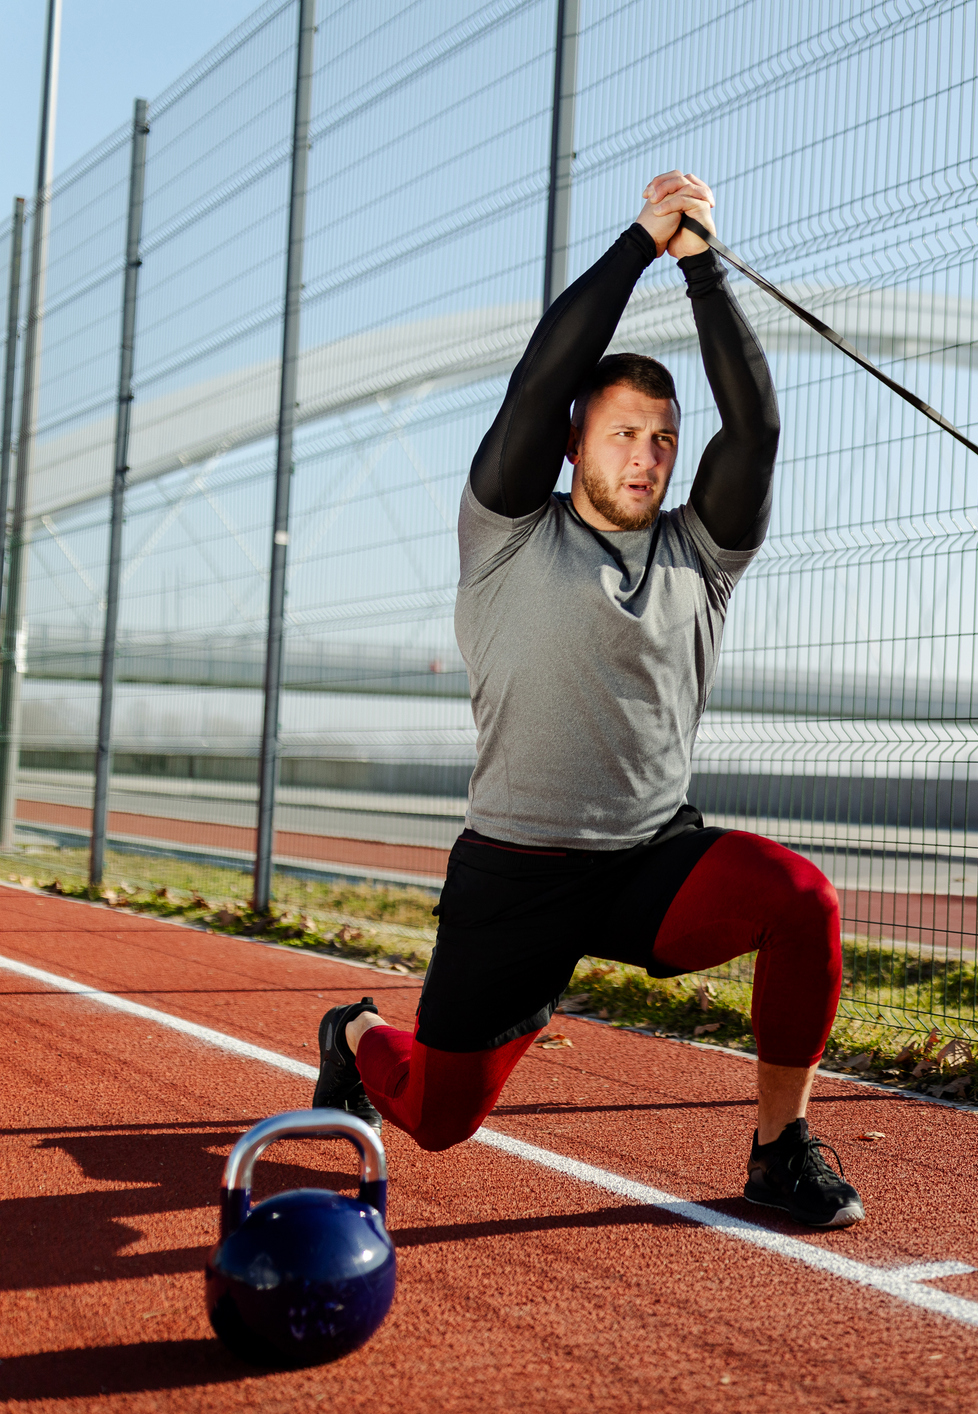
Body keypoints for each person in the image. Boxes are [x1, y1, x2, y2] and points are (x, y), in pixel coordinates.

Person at [309, 171, 861, 1228]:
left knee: (802, 900)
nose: (647, 455)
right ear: (573, 446)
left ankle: (778, 1149)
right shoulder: (509, 526)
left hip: (646, 860)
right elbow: (536, 379)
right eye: (621, 432)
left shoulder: (703, 550)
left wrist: (702, 270)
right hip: (515, 873)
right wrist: (638, 247)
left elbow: (755, 435)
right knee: (436, 1118)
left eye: (661, 438)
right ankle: (355, 1033)